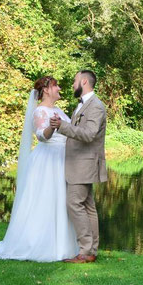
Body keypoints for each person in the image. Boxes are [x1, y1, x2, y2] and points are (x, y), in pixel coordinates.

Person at [0, 76, 78, 262]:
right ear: (46, 90)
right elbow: (41, 136)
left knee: (61, 200)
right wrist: (52, 129)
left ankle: (63, 245)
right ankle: (38, 243)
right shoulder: (40, 111)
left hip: (63, 157)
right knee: (45, 200)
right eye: (55, 86)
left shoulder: (59, 110)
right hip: (48, 159)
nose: (59, 88)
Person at [50, 70, 107, 263]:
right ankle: (91, 250)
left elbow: (89, 134)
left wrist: (62, 127)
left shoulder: (96, 106)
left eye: (75, 81)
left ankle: (85, 251)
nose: (73, 85)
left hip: (85, 164)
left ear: (84, 81)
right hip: (81, 164)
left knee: (74, 203)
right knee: (88, 206)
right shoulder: (84, 104)